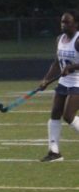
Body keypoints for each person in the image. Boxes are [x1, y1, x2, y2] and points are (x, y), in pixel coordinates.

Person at [38, 11, 79, 162]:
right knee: (55, 113)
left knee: (68, 116)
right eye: (62, 22)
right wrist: (46, 80)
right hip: (64, 82)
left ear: (76, 24)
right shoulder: (59, 39)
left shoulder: (78, 40)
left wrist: (73, 67)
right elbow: (56, 63)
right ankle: (54, 153)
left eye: (67, 22)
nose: (63, 25)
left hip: (78, 82)